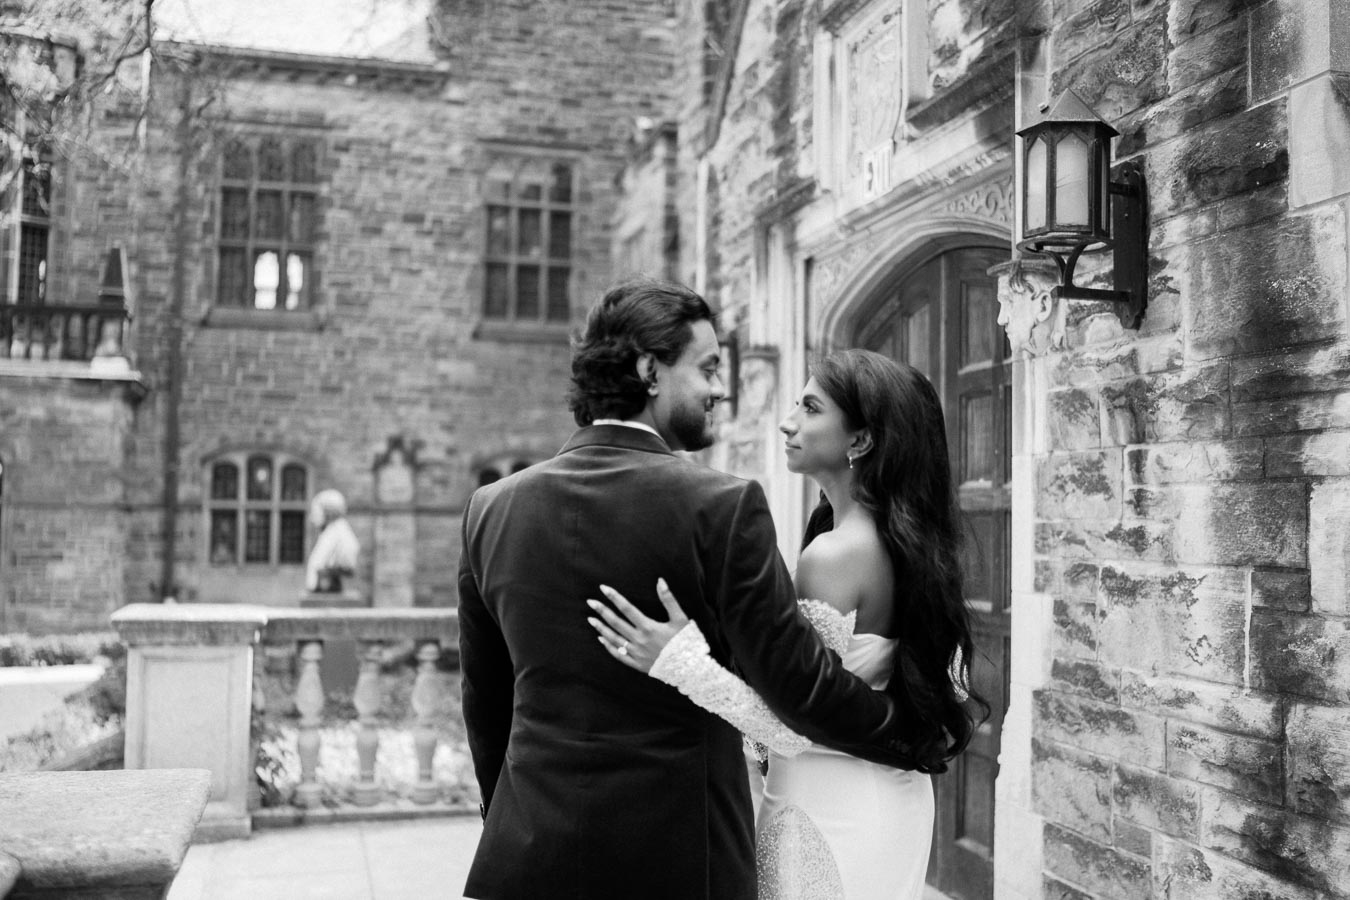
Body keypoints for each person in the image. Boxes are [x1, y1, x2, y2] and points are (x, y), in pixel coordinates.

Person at [456, 281, 943, 900]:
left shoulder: (489, 508)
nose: (720, 388)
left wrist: (502, 818)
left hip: (526, 854)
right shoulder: (723, 508)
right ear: (649, 372)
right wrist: (916, 734)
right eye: (709, 368)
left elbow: (485, 699)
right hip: (682, 859)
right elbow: (802, 694)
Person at [589, 348, 987, 900]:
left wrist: (682, 663)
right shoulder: (908, 544)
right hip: (889, 797)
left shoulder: (835, 554)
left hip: (828, 807)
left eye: (810, 407)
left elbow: (794, 722)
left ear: (860, 440)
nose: (787, 421)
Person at [304, 489, 360, 593]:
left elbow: (317, 564)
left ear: (329, 513)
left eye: (316, 511)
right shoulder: (334, 531)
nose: (312, 518)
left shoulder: (336, 534)